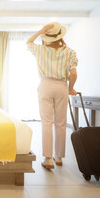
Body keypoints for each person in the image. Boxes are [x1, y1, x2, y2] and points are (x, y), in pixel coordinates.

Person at [26, 22, 78, 169]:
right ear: (60, 36)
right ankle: (59, 157)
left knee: (47, 122)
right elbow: (73, 73)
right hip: (61, 86)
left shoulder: (40, 49)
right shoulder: (69, 52)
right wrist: (71, 88)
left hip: (46, 85)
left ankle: (48, 159)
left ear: (46, 37)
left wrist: (40, 31)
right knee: (61, 123)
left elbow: (28, 42)